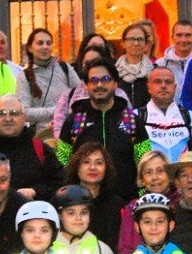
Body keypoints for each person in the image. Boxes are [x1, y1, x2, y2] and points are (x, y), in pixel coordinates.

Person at [57, 57, 151, 199]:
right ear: (86, 85)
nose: (99, 84)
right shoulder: (74, 121)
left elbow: (144, 163)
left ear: (115, 84)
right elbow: (62, 162)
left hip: (125, 204)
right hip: (83, 204)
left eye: (105, 79)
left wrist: (140, 199)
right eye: (93, 80)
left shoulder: (131, 121)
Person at [0, 93, 63, 199]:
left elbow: (60, 185)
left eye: (14, 113)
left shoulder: (42, 150)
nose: (8, 119)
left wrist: (35, 191)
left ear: (24, 117)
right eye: (1, 114)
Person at [141, 64, 192, 164]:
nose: (163, 86)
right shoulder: (136, 117)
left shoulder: (190, 117)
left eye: (168, 82)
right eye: (157, 82)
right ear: (149, 87)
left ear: (175, 87)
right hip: (152, 178)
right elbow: (136, 157)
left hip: (182, 177)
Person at [63, 142, 126, 246]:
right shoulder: (64, 200)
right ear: (77, 168)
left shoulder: (116, 204)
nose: (92, 167)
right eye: (86, 162)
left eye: (99, 163)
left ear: (106, 168)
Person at [118, 150, 175, 254]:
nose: (154, 177)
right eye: (148, 172)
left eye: (160, 171)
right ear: (142, 179)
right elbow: (125, 249)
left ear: (170, 175)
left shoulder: (180, 203)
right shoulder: (133, 208)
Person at [19, 27, 80, 129]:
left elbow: (81, 96)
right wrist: (58, 110)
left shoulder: (65, 68)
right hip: (42, 136)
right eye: (40, 43)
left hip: (69, 131)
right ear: (30, 48)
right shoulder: (24, 77)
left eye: (48, 43)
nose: (45, 47)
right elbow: (24, 112)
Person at [115, 22, 155, 110]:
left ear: (145, 43)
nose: (136, 43)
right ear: (123, 43)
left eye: (140, 39)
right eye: (131, 39)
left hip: (147, 119)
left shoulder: (154, 71)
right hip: (121, 119)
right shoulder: (114, 71)